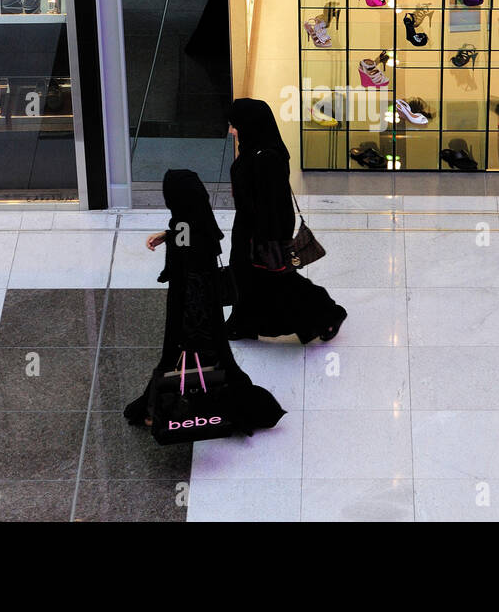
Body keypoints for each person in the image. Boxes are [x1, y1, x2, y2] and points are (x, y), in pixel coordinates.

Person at [124, 169, 284, 435]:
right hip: (202, 309)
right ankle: (239, 408)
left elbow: (190, 267)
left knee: (177, 360)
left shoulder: (187, 226)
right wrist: (168, 234)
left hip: (190, 312)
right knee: (218, 362)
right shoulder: (195, 221)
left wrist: (191, 326)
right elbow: (186, 236)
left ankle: (157, 411)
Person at [224, 98, 348, 343]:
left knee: (278, 281)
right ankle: (242, 324)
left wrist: (264, 241)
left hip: (261, 232)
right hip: (248, 228)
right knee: (248, 278)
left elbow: (272, 204)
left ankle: (327, 314)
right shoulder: (255, 148)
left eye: (234, 125)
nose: (231, 130)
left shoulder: (265, 157)